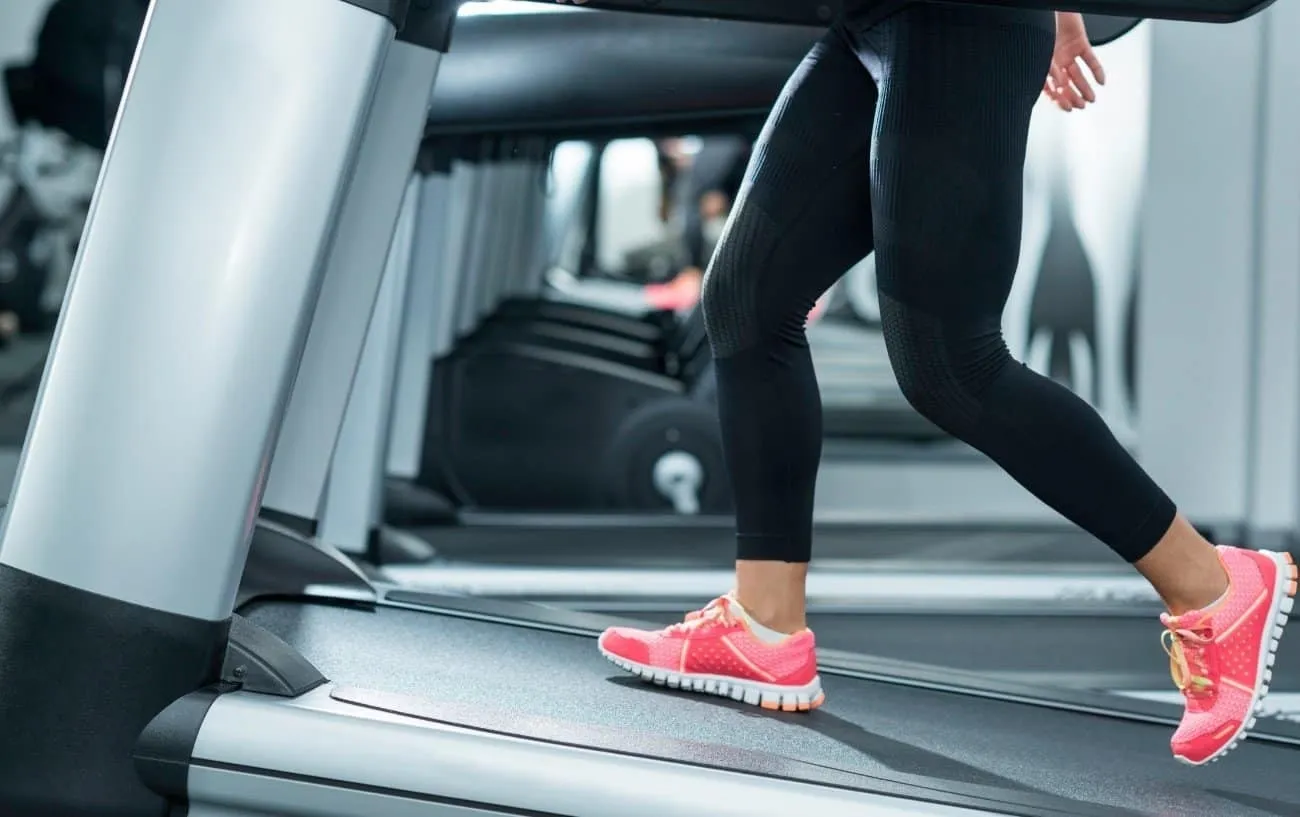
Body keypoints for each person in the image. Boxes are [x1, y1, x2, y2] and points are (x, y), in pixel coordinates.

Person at [596, 4, 1298, 767]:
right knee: (746, 301)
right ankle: (763, 626)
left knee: (951, 366)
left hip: (960, 17)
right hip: (870, 20)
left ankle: (1214, 587)